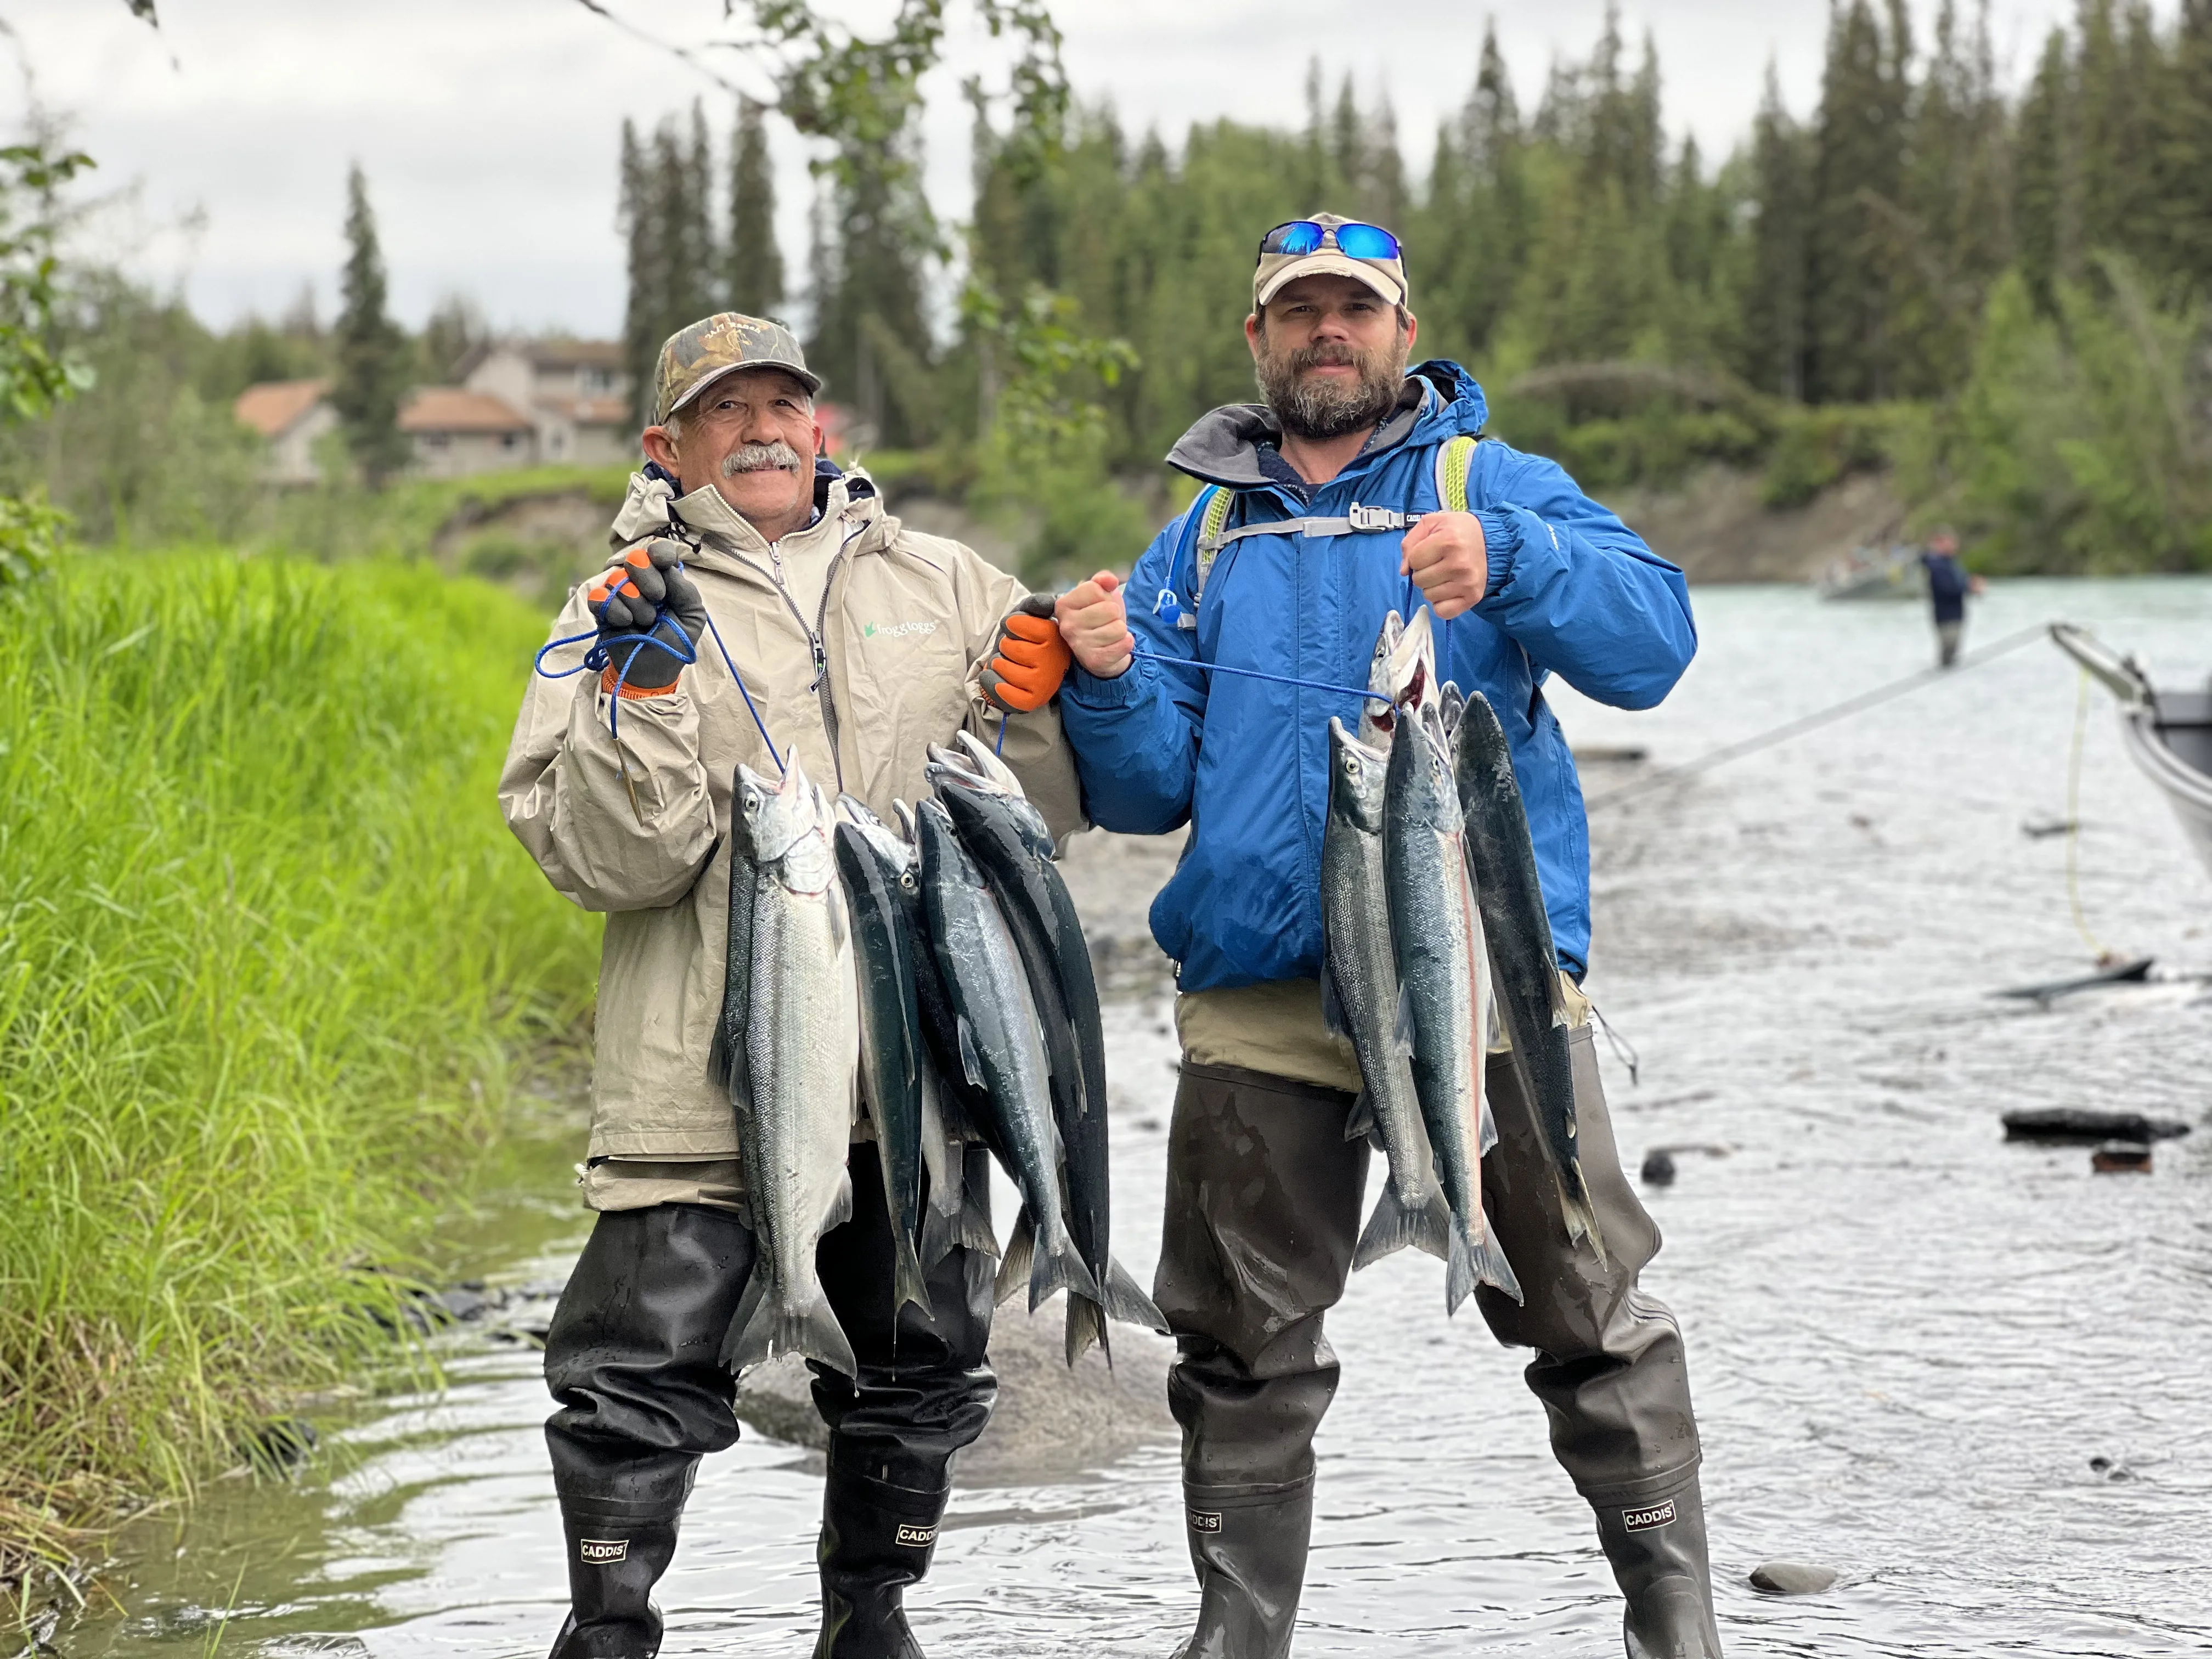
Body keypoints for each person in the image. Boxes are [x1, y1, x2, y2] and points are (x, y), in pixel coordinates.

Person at [1033, 216, 1720, 1657]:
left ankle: (1676, 1619)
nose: (1327, 333)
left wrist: (1516, 563)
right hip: (1258, 1001)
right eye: (1299, 313)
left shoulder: (1492, 483)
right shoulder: (1202, 532)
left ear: (1403, 331)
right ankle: (1240, 1630)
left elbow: (1655, 647)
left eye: (1355, 310)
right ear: (1258, 340)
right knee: (1235, 1343)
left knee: (1589, 1309)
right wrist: (1103, 676)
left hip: (1480, 988)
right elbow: (1153, 780)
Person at [500, 312, 1080, 1659]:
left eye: (784, 403)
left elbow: (1051, 812)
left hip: (918, 1080)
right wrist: (638, 695)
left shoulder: (944, 581)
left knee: (923, 1371)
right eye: (724, 409)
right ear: (669, 445)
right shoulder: (612, 612)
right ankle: (608, 1629)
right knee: (632, 1385)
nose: (762, 428)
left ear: (824, 426)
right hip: (699, 1082)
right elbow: (602, 862)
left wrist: (1065, 694)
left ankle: (870, 1622)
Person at [1920, 530, 1977, 668]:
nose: (1952, 546)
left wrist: (1970, 585)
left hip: (1957, 613)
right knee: (1948, 649)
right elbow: (1947, 588)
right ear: (1938, 544)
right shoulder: (1936, 565)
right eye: (1948, 543)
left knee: (1954, 650)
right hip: (1945, 615)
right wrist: (1969, 587)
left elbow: (1959, 583)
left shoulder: (1952, 563)